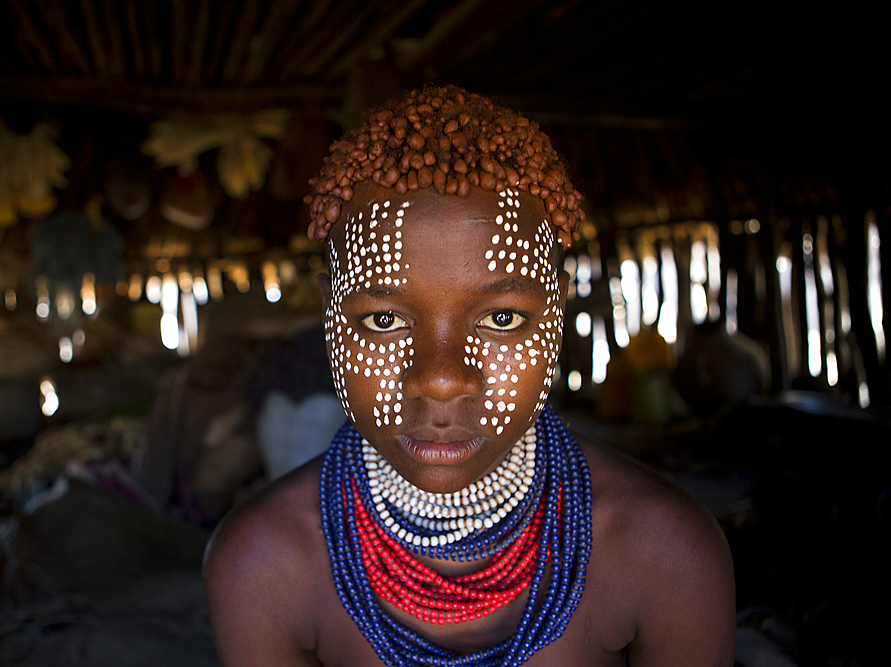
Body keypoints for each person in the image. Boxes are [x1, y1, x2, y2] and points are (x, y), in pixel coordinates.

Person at [203, 85, 735, 666]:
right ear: (329, 323)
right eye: (383, 320)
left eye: (502, 318)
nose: (441, 379)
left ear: (557, 317)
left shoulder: (668, 558)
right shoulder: (261, 565)